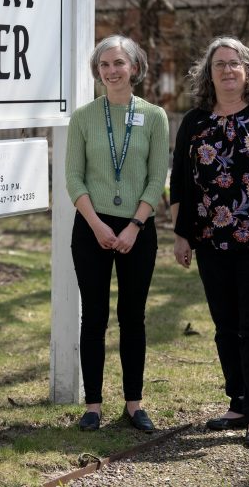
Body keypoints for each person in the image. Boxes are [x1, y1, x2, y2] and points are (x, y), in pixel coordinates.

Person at [169, 36, 249, 449]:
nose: (227, 70)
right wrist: (180, 233)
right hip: (210, 241)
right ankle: (238, 402)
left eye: (235, 63)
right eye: (219, 64)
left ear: (248, 71)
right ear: (209, 73)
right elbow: (181, 182)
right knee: (225, 327)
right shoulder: (194, 121)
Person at [66, 34, 170, 433]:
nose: (111, 71)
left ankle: (133, 404)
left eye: (118, 64)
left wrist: (134, 226)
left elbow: (155, 177)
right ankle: (92, 405)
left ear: (135, 68)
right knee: (93, 317)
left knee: (133, 317)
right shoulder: (83, 117)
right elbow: (74, 177)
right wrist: (96, 225)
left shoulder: (155, 117)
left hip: (137, 231)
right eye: (104, 65)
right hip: (91, 226)